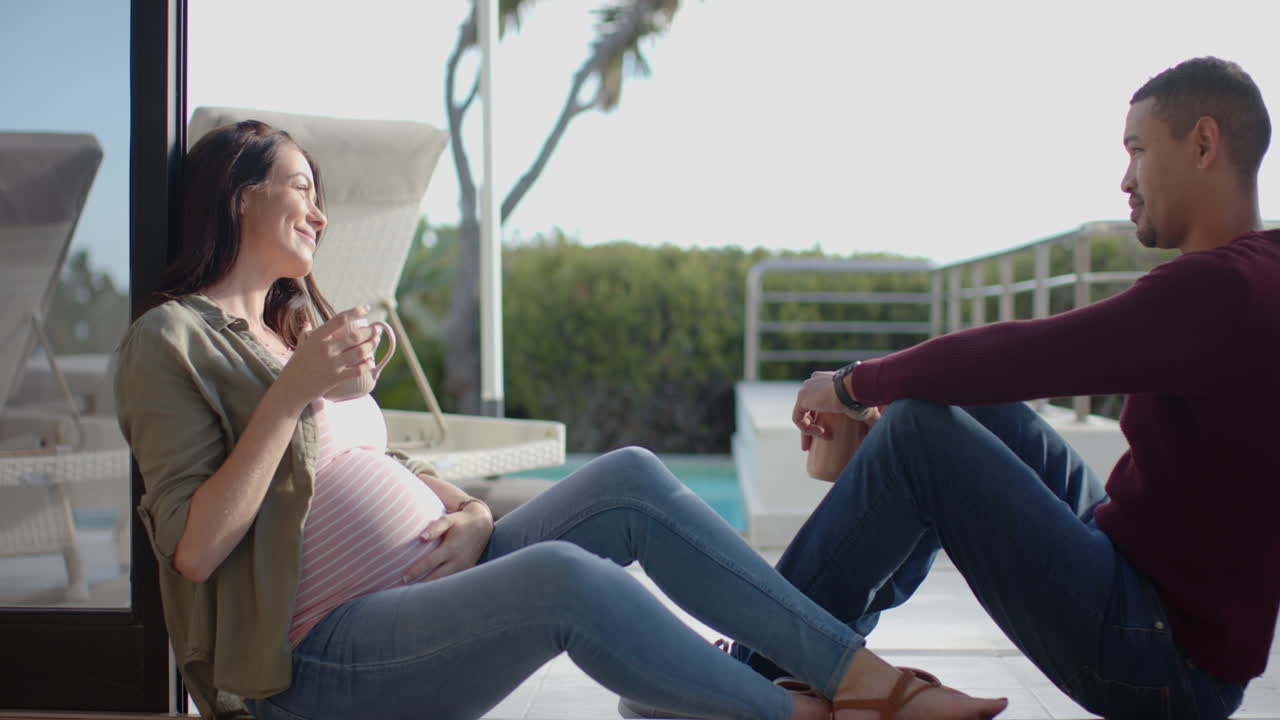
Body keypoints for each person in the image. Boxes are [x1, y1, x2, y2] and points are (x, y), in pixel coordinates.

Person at [115, 119, 1009, 720]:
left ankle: (858, 676)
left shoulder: (290, 331)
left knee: (627, 478)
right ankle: (804, 715)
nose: (320, 211)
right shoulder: (172, 340)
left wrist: (465, 514)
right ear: (237, 196)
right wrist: (292, 391)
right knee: (561, 580)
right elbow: (194, 549)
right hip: (312, 660)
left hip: (421, 590)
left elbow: (359, 471)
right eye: (300, 188)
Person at [729, 56, 1277, 720]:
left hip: (1160, 656)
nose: (1125, 180)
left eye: (1137, 150)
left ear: (1203, 143)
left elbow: (1031, 354)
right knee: (952, 406)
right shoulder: (1259, 274)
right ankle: (811, 648)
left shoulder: (1216, 292)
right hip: (1161, 593)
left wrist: (852, 385)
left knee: (917, 438)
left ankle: (750, 670)